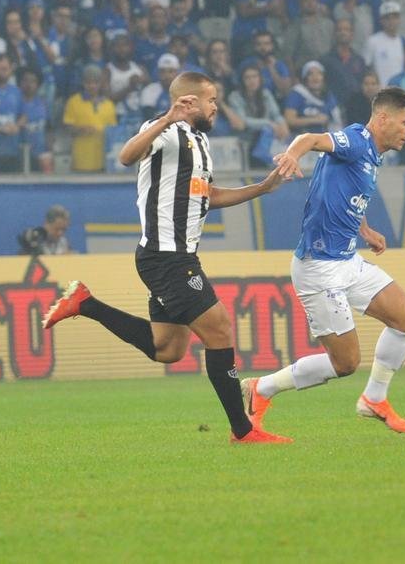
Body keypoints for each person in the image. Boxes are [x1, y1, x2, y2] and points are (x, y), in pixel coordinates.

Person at [43, 71, 291, 445]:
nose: (216, 106)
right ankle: (243, 430)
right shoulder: (166, 130)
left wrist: (263, 187)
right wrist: (165, 119)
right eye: (211, 100)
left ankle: (86, 303)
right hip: (167, 256)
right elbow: (126, 156)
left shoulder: (198, 142)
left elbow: (208, 196)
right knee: (220, 328)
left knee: (168, 349)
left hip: (175, 255)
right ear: (189, 101)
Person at [240, 87, 405, 436]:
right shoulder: (355, 140)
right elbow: (309, 138)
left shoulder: (373, 152)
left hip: (347, 260)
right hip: (319, 267)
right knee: (345, 363)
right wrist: (292, 156)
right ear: (383, 118)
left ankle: (374, 398)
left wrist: (364, 229)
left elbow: (348, 192)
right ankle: (261, 389)